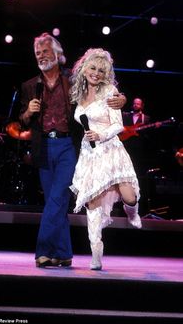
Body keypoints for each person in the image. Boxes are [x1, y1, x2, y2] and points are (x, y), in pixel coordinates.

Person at [19, 33, 126, 268]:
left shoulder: (73, 81)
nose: (41, 56)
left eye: (46, 51)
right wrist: (28, 111)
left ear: (58, 55)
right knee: (54, 201)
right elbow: (21, 122)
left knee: (57, 198)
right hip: (44, 147)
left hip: (69, 146)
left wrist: (122, 98)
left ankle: (43, 251)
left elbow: (102, 85)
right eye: (38, 52)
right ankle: (64, 253)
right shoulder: (30, 86)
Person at [69, 48, 142, 271]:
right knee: (93, 203)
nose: (96, 73)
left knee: (129, 197)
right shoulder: (78, 93)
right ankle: (96, 254)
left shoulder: (110, 91)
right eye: (92, 68)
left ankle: (133, 212)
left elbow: (119, 125)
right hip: (90, 154)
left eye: (101, 70)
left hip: (110, 149)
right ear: (84, 69)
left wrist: (100, 135)